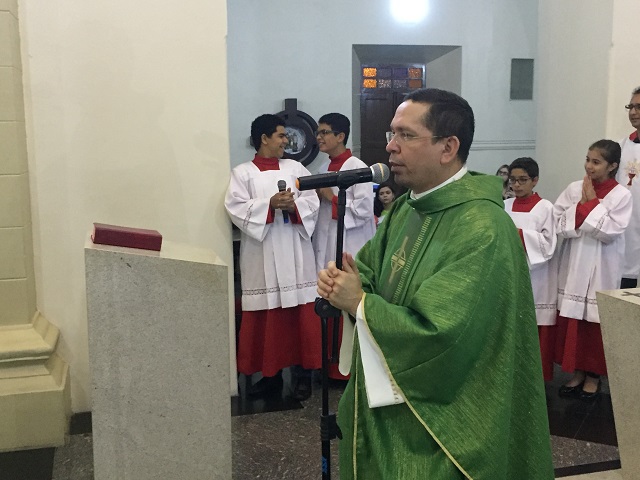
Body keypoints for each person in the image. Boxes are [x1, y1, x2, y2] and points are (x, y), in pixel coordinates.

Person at [317, 88, 553, 479]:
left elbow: (445, 333)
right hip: (389, 404)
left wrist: (360, 303)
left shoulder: (482, 227)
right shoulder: (407, 208)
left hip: (443, 419)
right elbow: (370, 270)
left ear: (448, 147)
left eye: (405, 135)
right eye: (392, 134)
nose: (390, 147)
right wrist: (348, 283)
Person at [224, 114, 321, 400]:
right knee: (269, 320)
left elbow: (312, 199)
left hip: (295, 251)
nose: (285, 141)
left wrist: (293, 208)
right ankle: (270, 376)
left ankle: (303, 375)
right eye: (280, 135)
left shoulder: (296, 168)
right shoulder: (242, 173)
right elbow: (235, 207)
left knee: (301, 316)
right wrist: (269, 205)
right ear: (264, 138)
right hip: (262, 254)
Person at [554, 139, 632, 400]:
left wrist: (589, 205)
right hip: (574, 262)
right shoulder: (575, 188)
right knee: (574, 319)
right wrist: (584, 205)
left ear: (612, 166)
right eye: (587, 159)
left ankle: (593, 376)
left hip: (602, 266)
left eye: (596, 162)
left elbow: (610, 231)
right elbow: (558, 221)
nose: (589, 166)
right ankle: (576, 372)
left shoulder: (622, 195)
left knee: (594, 323)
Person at [312, 113, 376, 384]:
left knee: (347, 305)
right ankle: (331, 366)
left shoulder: (356, 167)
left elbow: (363, 211)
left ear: (341, 136)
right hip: (328, 243)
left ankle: (350, 369)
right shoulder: (327, 168)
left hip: (351, 246)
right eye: (318, 132)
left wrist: (329, 195)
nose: (319, 137)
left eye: (325, 132)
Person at [504, 157, 557, 381]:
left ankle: (535, 378)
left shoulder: (546, 208)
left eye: (522, 180)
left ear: (535, 180)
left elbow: (549, 244)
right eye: (513, 181)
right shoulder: (504, 205)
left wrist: (519, 235)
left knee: (535, 327)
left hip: (537, 277)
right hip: (510, 272)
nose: (516, 185)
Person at [617, 86, 640, 288]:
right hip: (626, 234)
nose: (633, 112)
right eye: (630, 107)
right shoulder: (620, 147)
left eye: (639, 107)